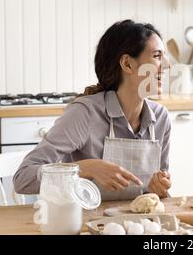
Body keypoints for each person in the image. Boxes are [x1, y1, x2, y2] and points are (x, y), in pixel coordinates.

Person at [13, 19, 172, 200]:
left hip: (138, 226)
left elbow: (157, 195)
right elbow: (22, 179)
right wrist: (87, 168)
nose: (167, 65)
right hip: (86, 224)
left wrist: (159, 189)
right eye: (157, 56)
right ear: (127, 64)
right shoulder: (84, 114)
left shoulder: (160, 118)